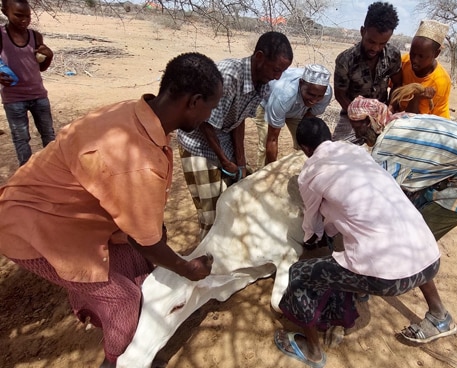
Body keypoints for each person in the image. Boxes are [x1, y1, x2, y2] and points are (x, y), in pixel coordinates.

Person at [0, 52, 222, 368]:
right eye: (211, 107)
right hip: (32, 228)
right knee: (124, 301)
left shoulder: (134, 112)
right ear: (194, 101)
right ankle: (118, 360)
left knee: (137, 262)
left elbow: (144, 235)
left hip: (63, 214)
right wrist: (188, 268)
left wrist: (156, 240)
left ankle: (98, 312)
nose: (209, 116)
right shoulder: (136, 163)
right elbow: (147, 239)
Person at [274, 117, 457, 368]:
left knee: (300, 273)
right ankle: (439, 314)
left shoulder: (310, 172)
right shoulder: (356, 152)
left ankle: (312, 351)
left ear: (305, 149)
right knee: (402, 240)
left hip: (387, 277)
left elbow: (312, 221)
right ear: (329, 136)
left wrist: (310, 238)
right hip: (428, 255)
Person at [177, 31, 293, 240]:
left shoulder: (263, 86)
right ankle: (204, 262)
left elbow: (238, 122)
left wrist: (240, 161)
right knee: (212, 213)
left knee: (230, 204)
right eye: (276, 69)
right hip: (198, 144)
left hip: (223, 141)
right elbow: (205, 122)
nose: (278, 77)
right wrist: (223, 159)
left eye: (283, 72)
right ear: (259, 57)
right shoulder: (228, 77)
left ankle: (222, 254)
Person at [347, 94, 457, 240]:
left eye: (357, 128)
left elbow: (383, 192)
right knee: (412, 210)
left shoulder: (387, 143)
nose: (356, 135)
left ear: (370, 122)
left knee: (416, 238)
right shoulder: (401, 120)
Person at [332, 1, 401, 144]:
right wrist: (356, 118)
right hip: (351, 117)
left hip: (382, 115)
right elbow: (340, 94)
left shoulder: (393, 55)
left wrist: (390, 109)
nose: (375, 48)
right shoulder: (346, 60)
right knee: (335, 153)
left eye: (382, 44)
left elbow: (398, 83)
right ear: (363, 31)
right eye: (371, 41)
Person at [0, 0, 55, 166]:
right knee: (21, 138)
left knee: (49, 135)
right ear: (5, 12)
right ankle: (27, 175)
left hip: (38, 95)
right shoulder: (1, 36)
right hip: (14, 98)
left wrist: (49, 55)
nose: (24, 20)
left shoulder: (35, 36)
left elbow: (41, 67)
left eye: (28, 16)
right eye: (18, 15)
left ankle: (53, 167)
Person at [253, 63, 332, 169]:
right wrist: (273, 171)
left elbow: (308, 121)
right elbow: (272, 139)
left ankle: (309, 172)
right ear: (301, 83)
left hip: (298, 110)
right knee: (265, 143)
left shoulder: (326, 93)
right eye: (311, 94)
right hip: (269, 106)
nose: (314, 100)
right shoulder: (284, 95)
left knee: (308, 141)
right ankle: (262, 176)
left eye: (319, 96)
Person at [391, 19, 452, 118]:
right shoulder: (404, 62)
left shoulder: (440, 81)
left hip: (430, 123)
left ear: (436, 54)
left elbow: (414, 119)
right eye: (412, 54)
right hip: (401, 115)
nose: (414, 60)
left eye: (421, 56)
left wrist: (416, 97)